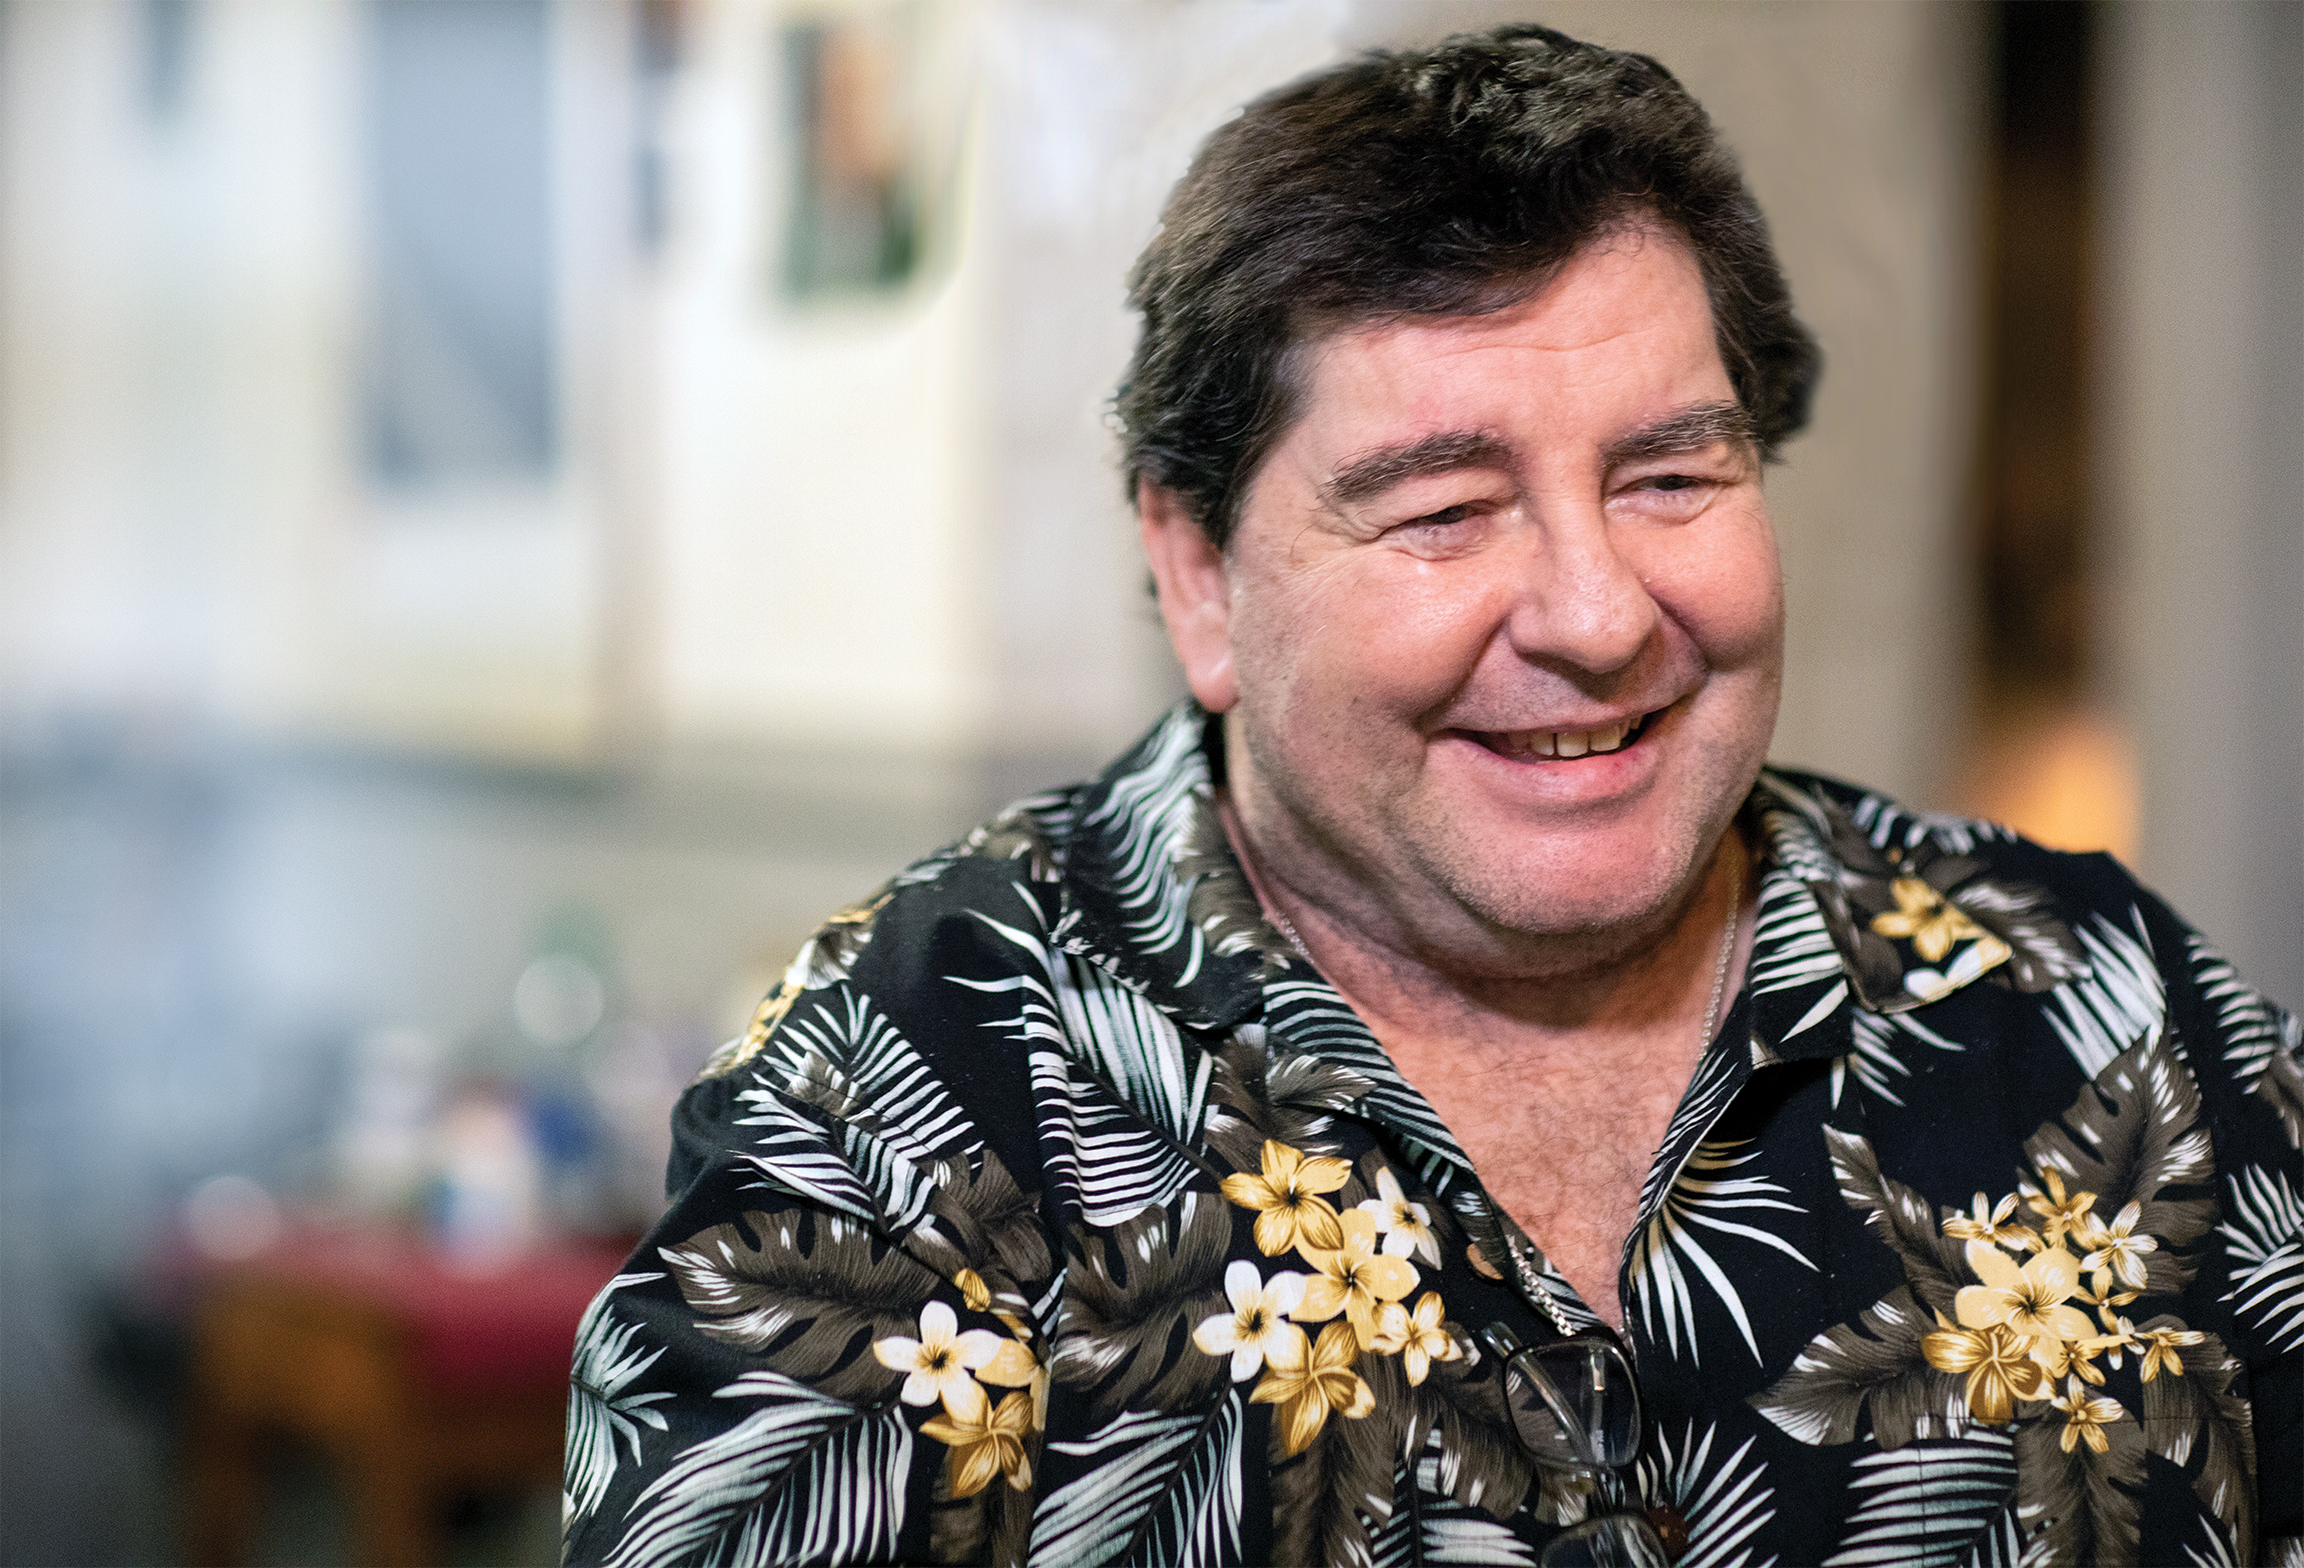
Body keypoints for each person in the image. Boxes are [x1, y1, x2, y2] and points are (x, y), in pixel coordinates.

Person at [562, 25, 2301, 1567]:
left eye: (1672, 475)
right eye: (1443, 510)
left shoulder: (2099, 1009)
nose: (1599, 613)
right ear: (1198, 575)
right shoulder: (906, 1100)